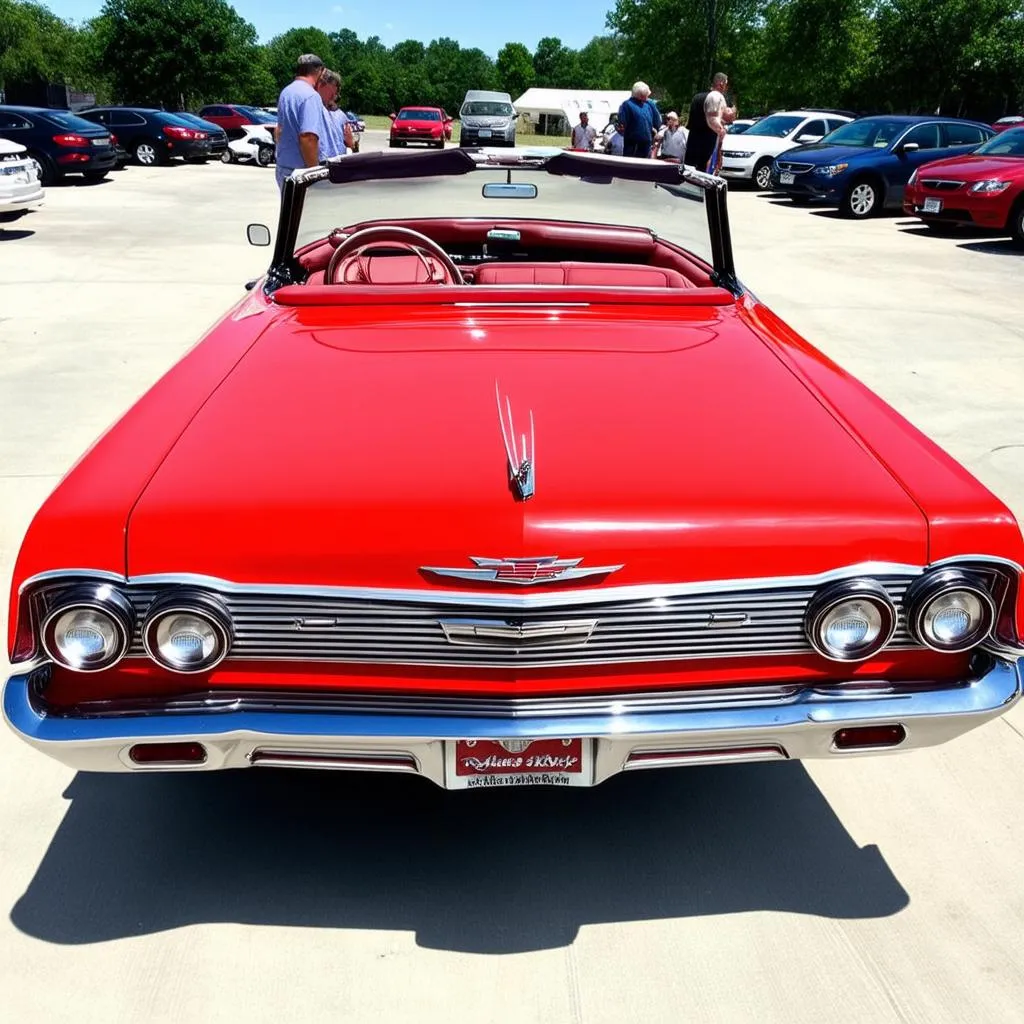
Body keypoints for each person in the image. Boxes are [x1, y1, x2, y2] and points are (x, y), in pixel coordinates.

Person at [274, 53, 327, 193]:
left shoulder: (286, 92)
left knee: (289, 213)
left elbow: (278, 131)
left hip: (283, 168)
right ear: (318, 71)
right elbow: (308, 137)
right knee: (305, 214)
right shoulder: (311, 96)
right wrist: (314, 173)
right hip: (301, 172)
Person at [684, 72, 738, 174]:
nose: (726, 88)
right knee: (703, 173)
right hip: (708, 142)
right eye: (726, 85)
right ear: (721, 84)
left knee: (688, 170)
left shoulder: (697, 97)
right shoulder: (719, 100)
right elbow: (728, 119)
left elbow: (690, 123)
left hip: (693, 141)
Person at [315, 68, 354, 159]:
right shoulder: (315, 108)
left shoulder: (341, 116)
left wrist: (351, 143)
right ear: (321, 85)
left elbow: (350, 144)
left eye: (336, 93)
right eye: (332, 92)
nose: (334, 96)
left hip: (338, 163)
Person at [616, 81, 662, 158]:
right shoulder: (627, 105)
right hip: (633, 146)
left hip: (647, 146)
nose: (647, 97)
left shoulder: (648, 105)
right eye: (646, 95)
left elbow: (657, 122)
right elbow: (622, 124)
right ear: (640, 95)